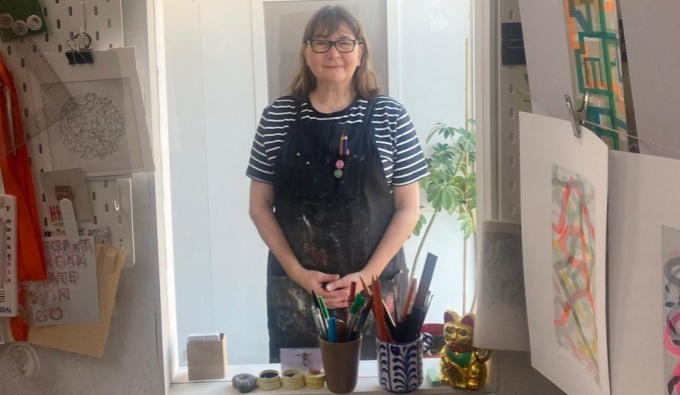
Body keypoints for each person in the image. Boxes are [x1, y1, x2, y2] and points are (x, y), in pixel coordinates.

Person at [246, 4, 429, 363]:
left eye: (345, 43)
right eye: (322, 43)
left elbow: (409, 208)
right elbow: (258, 207)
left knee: (379, 381)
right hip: (299, 291)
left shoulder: (391, 116)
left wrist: (366, 276)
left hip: (376, 288)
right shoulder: (277, 117)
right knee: (303, 383)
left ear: (360, 52)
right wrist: (299, 274)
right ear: (305, 52)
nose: (333, 53)